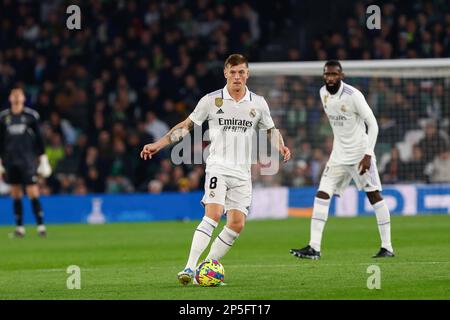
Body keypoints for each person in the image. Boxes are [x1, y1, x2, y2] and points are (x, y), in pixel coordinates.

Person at [140, 54, 291, 285]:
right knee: (213, 213)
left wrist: (280, 145)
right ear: (225, 73)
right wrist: (159, 144)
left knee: (237, 223)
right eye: (233, 72)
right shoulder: (211, 100)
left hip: (242, 172)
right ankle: (189, 268)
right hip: (218, 167)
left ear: (247, 74)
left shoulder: (258, 103)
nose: (237, 77)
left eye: (241, 72)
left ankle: (205, 267)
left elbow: (270, 129)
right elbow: (186, 127)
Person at [290, 60, 394, 259]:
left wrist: (368, 154)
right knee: (322, 194)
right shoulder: (323, 94)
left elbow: (373, 125)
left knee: (374, 196)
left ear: (341, 76)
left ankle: (387, 247)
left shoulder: (353, 96)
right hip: (338, 156)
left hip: (360, 155)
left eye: (334, 75)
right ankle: (314, 247)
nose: (330, 78)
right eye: (327, 75)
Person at [0, 88, 52, 237]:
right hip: (10, 161)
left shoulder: (31, 116)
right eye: (14, 95)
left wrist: (43, 158)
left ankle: (41, 226)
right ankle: (20, 228)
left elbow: (39, 139)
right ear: (10, 98)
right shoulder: (3, 117)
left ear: (23, 98)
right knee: (15, 194)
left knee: (33, 193)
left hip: (27, 161)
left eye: (19, 95)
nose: (16, 97)